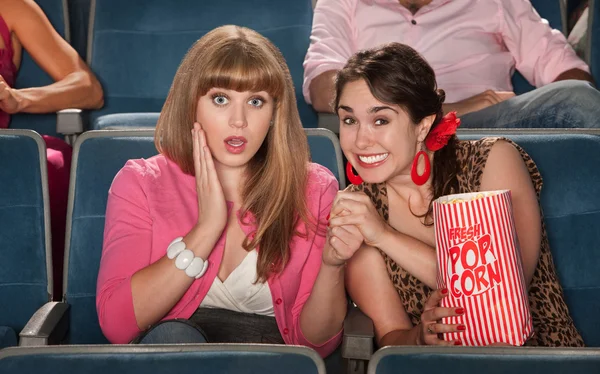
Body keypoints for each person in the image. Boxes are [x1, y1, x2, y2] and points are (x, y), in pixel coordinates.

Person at [96, 25, 355, 357]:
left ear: (275, 113)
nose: (239, 121)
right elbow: (117, 327)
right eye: (221, 99)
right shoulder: (141, 183)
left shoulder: (314, 188)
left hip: (267, 362)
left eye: (256, 101)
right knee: (174, 339)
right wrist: (206, 230)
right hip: (175, 358)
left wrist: (333, 266)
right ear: (192, 104)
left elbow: (318, 344)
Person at [327, 42, 584, 347]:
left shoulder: (491, 160)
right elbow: (390, 335)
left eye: (380, 120)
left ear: (422, 125)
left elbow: (500, 292)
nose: (360, 140)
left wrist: (383, 235)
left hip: (535, 356)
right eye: (349, 120)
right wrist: (420, 338)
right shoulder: (357, 208)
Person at [303, 0, 600, 129]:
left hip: (485, 128)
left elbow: (569, 74)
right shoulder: (344, 2)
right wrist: (437, 111)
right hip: (389, 134)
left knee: (577, 99)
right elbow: (323, 86)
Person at [0, 0, 104, 298]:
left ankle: (51, 305)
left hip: (6, 159)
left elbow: (89, 88)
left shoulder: (13, 6)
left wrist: (18, 99)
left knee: (54, 166)